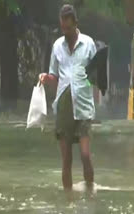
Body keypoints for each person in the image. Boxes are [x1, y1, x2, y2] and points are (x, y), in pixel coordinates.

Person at [39, 4, 96, 192]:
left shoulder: (88, 44)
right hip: (63, 105)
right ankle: (68, 200)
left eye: (69, 28)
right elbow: (54, 75)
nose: (66, 32)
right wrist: (46, 78)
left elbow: (96, 77)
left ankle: (90, 192)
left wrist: (95, 102)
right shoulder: (57, 46)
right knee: (66, 160)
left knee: (85, 155)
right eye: (63, 28)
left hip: (84, 106)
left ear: (75, 24)